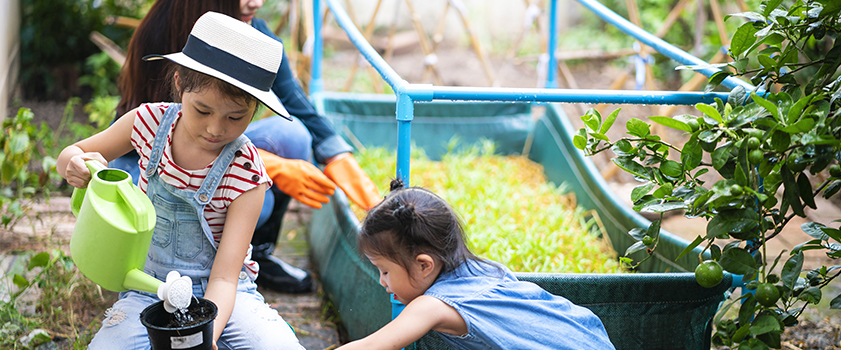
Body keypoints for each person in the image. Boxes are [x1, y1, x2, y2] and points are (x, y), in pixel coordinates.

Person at [58, 12, 304, 349]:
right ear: (179, 84)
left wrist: (207, 337)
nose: (216, 129)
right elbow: (72, 152)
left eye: (235, 117)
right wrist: (75, 164)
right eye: (202, 110)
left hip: (223, 293)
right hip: (148, 287)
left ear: (256, 110)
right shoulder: (145, 123)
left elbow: (224, 277)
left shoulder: (247, 172)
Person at [110, 0, 381, 294]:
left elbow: (294, 101)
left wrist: (338, 156)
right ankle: (153, 265)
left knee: (293, 136)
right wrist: (266, 165)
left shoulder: (257, 35)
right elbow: (153, 131)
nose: (256, 2)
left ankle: (254, 255)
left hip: (216, 154)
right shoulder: (164, 29)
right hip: (143, 164)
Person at [337, 179, 616, 350]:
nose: (382, 281)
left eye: (384, 270)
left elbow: (372, 347)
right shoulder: (488, 270)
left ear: (424, 265)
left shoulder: (432, 305)